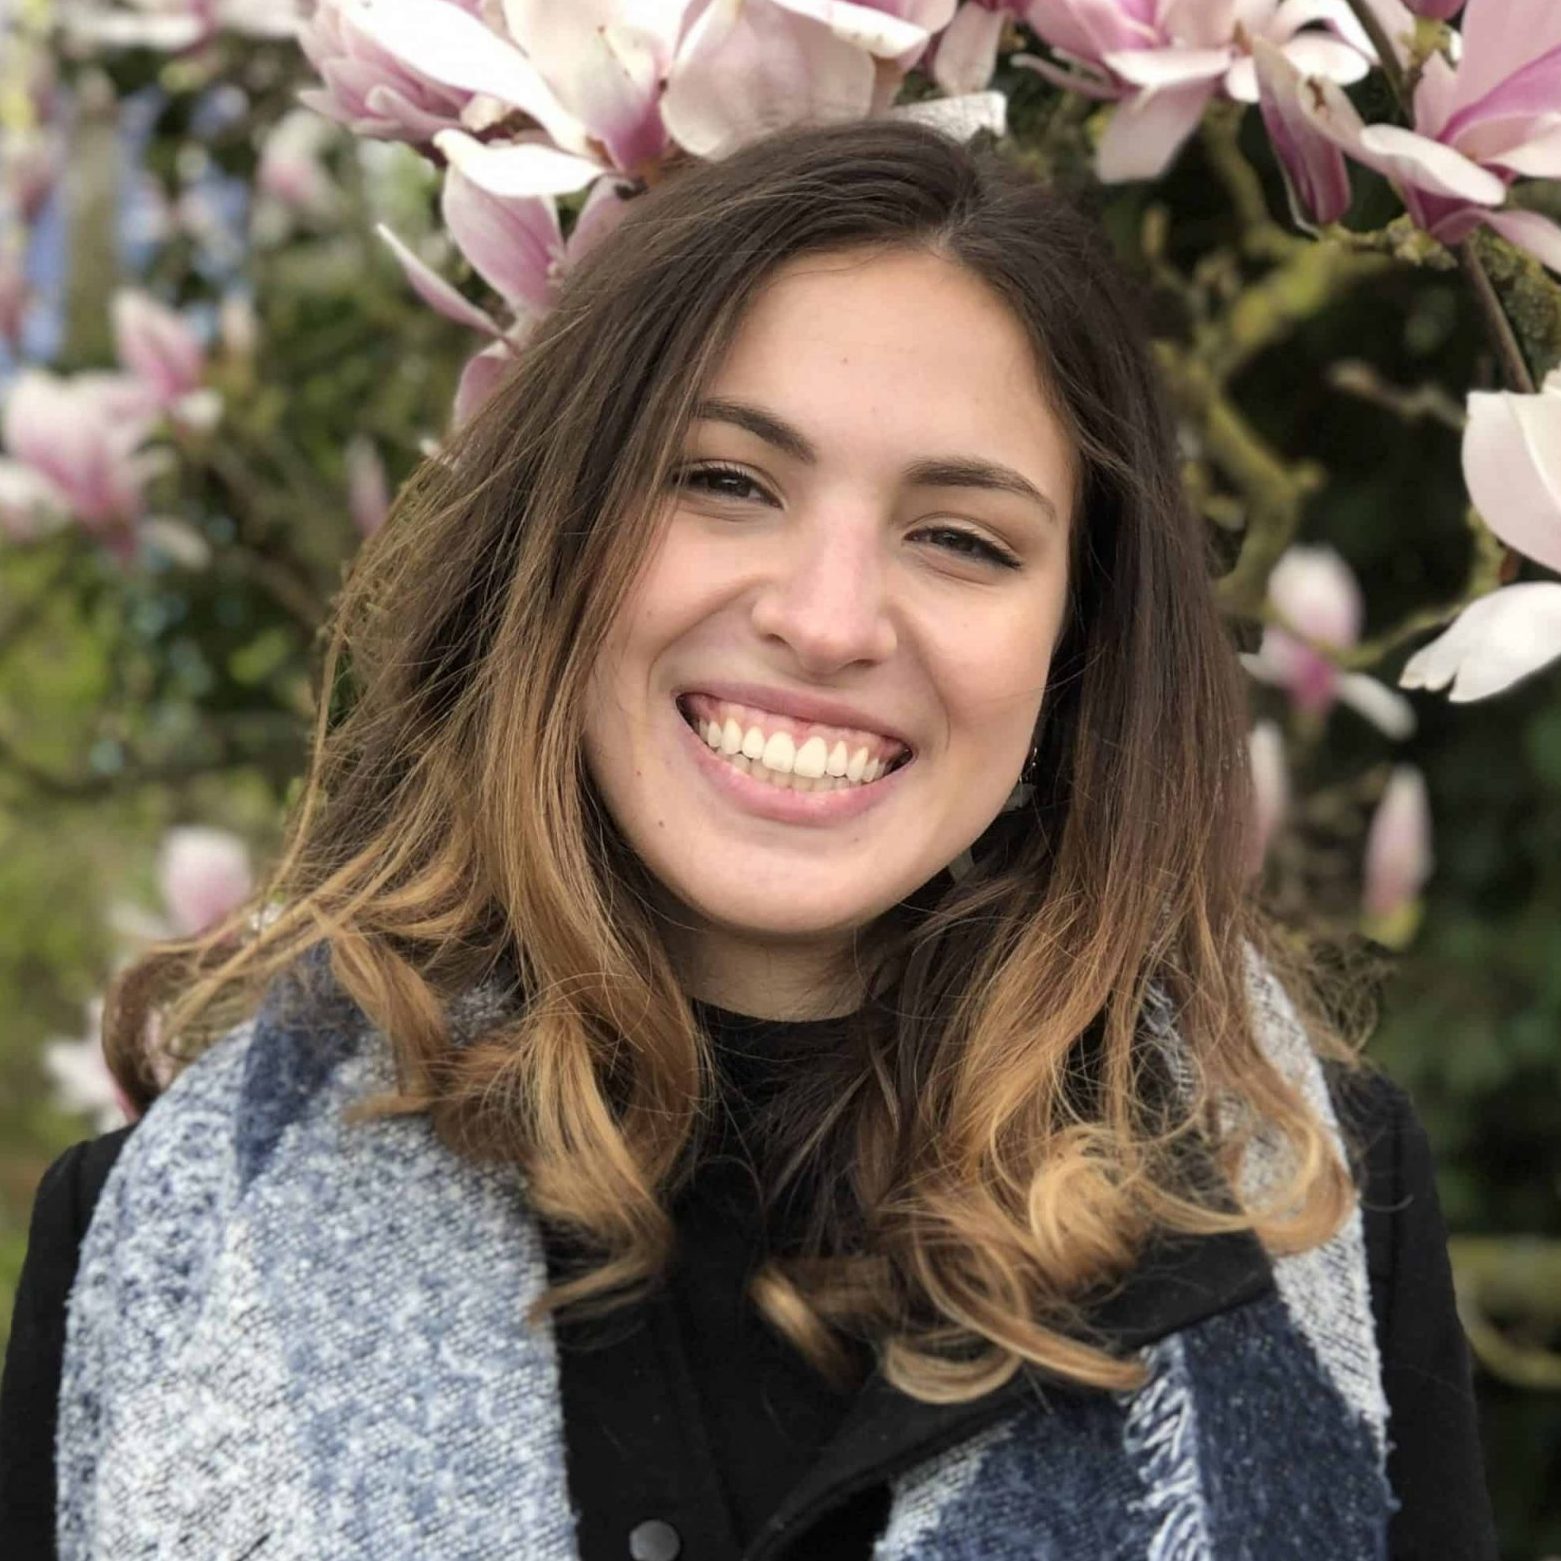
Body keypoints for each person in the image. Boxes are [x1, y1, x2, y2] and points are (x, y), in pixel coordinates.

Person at [1, 118, 1495, 1560]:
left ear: (1077, 648)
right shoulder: (170, 1238)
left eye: (960, 537)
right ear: (555, 540)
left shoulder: (1295, 1203)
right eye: (724, 480)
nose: (827, 621)